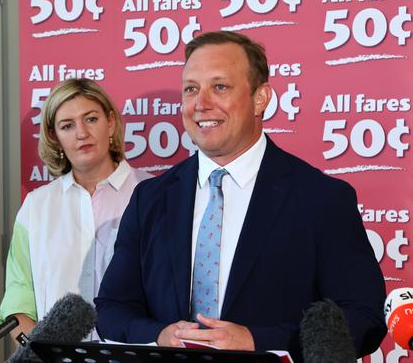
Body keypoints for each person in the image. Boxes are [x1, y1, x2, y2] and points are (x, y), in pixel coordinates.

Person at [95, 31, 386, 362]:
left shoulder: (322, 199)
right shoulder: (150, 198)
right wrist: (159, 336)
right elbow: (113, 308)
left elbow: (363, 316)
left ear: (260, 98)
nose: (201, 103)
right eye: (191, 88)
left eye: (219, 87)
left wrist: (257, 340)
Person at [0, 78, 152, 341]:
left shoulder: (153, 194)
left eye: (91, 119)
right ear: (54, 137)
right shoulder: (36, 206)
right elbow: (19, 298)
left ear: (111, 123)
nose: (81, 133)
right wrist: (40, 354)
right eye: (67, 126)